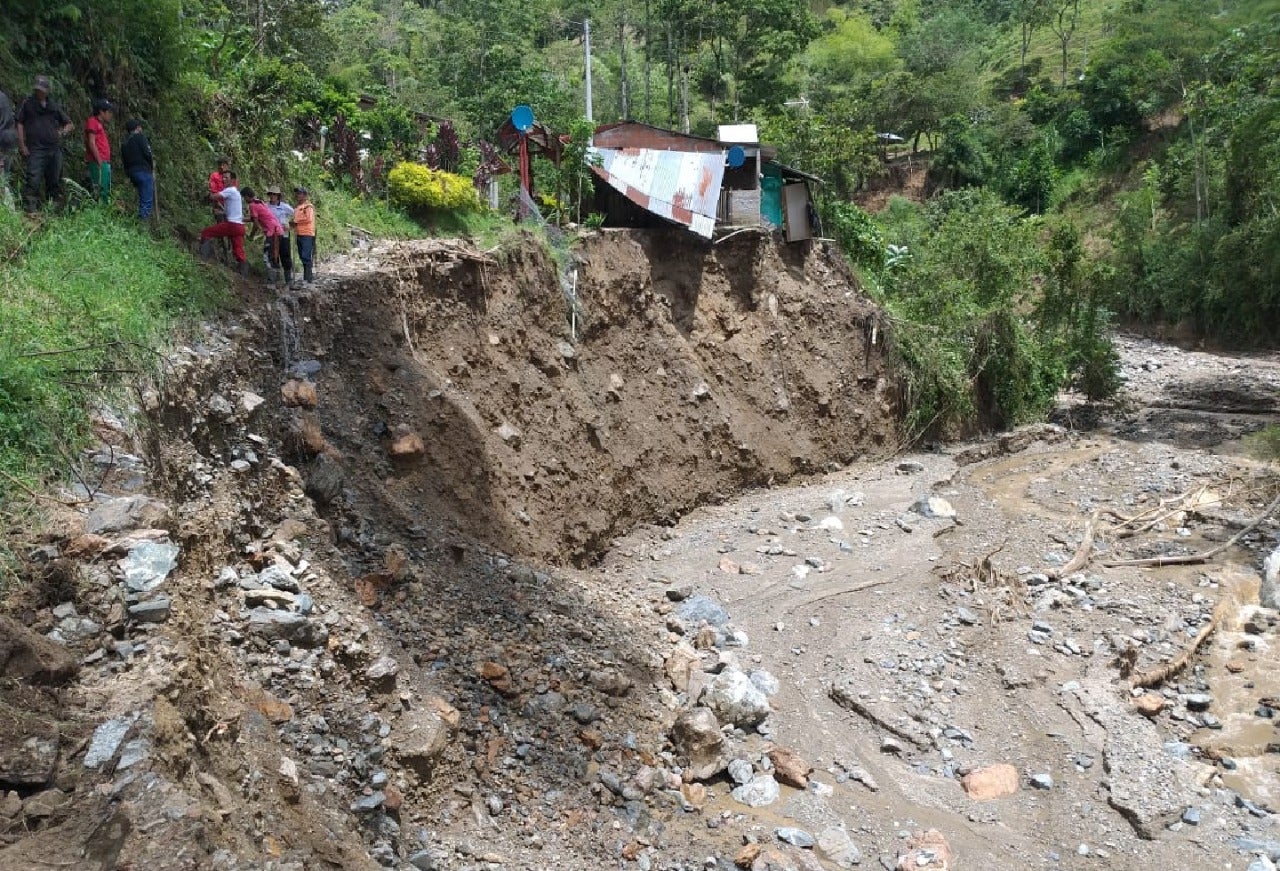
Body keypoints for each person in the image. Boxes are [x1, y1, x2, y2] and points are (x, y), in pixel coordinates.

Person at [16, 75, 73, 214]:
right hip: (35, 149)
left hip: (53, 149)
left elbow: (70, 124)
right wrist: (22, 145)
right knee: (33, 179)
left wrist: (61, 133)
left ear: (47, 91)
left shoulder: (53, 106)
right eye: (38, 90)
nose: (39, 92)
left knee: (54, 181)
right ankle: (30, 210)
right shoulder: (28, 104)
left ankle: (53, 212)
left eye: (42, 90)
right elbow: (19, 123)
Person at [199, 171, 246, 275]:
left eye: (226, 178)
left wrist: (208, 194)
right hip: (240, 226)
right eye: (223, 178)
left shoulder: (230, 190)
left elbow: (214, 197)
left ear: (233, 180)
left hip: (232, 225)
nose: (224, 179)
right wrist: (221, 211)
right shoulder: (236, 193)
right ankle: (243, 274)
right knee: (238, 250)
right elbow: (232, 210)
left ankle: (204, 259)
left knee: (206, 233)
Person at [240, 186, 286, 286]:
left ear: (247, 196)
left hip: (273, 232)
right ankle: (277, 280)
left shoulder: (252, 205)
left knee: (268, 256)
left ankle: (272, 281)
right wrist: (242, 219)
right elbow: (255, 218)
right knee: (272, 255)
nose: (244, 200)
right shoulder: (258, 201)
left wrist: (251, 236)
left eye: (244, 198)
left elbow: (256, 224)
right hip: (277, 230)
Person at [121, 119, 154, 220]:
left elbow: (124, 160)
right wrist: (151, 166)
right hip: (143, 171)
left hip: (132, 172)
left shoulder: (125, 142)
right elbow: (147, 153)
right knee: (147, 200)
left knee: (142, 197)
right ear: (138, 127)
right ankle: (142, 224)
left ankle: (138, 221)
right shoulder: (140, 137)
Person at [84, 98, 113, 205]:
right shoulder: (92, 122)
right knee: (100, 189)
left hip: (103, 162)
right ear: (101, 112)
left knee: (105, 189)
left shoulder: (99, 124)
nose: (110, 115)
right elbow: (92, 142)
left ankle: (104, 214)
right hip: (98, 162)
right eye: (109, 112)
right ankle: (99, 213)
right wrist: (99, 161)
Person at [264, 185, 295, 285]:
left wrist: (289, 224)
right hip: (271, 234)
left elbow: (296, 214)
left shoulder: (284, 206)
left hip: (284, 234)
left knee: (285, 254)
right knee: (272, 255)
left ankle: (288, 279)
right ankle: (274, 279)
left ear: (278, 196)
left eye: (274, 194)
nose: (272, 196)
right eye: (271, 194)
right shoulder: (266, 206)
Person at [290, 185, 316, 286]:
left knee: (305, 255)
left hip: (307, 234)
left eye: (300, 193)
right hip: (299, 234)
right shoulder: (297, 208)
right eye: (297, 193)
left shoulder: (308, 207)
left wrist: (296, 221)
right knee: (301, 255)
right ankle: (307, 277)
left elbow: (308, 219)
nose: (298, 195)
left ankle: (308, 278)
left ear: (305, 195)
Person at [0, 87, 17, 209]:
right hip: (9, 139)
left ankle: (8, 210)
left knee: (2, 178)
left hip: (2, 139)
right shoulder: (2, 96)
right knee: (4, 176)